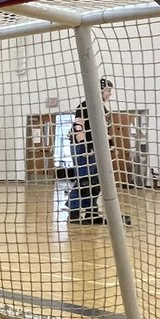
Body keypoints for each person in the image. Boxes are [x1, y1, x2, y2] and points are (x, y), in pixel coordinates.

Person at [67, 77, 113, 224]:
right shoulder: (84, 106)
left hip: (95, 148)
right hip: (82, 147)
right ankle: (73, 213)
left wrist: (110, 144)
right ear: (99, 91)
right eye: (108, 91)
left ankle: (91, 213)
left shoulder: (102, 108)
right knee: (84, 181)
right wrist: (84, 145)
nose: (109, 94)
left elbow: (103, 130)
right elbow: (78, 126)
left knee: (95, 181)